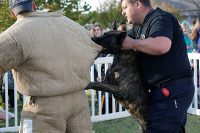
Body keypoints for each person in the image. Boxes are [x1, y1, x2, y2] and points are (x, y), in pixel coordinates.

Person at [0, 0, 102, 132]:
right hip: (79, 102)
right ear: (34, 6)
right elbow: (93, 49)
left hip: (44, 108)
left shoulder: (14, 34)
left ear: (12, 13)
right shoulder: (69, 24)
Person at [121, 0, 194, 132]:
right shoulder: (138, 27)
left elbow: (162, 45)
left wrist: (132, 43)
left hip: (171, 91)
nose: (123, 12)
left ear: (138, 4)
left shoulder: (160, 19)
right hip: (161, 92)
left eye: (125, 7)